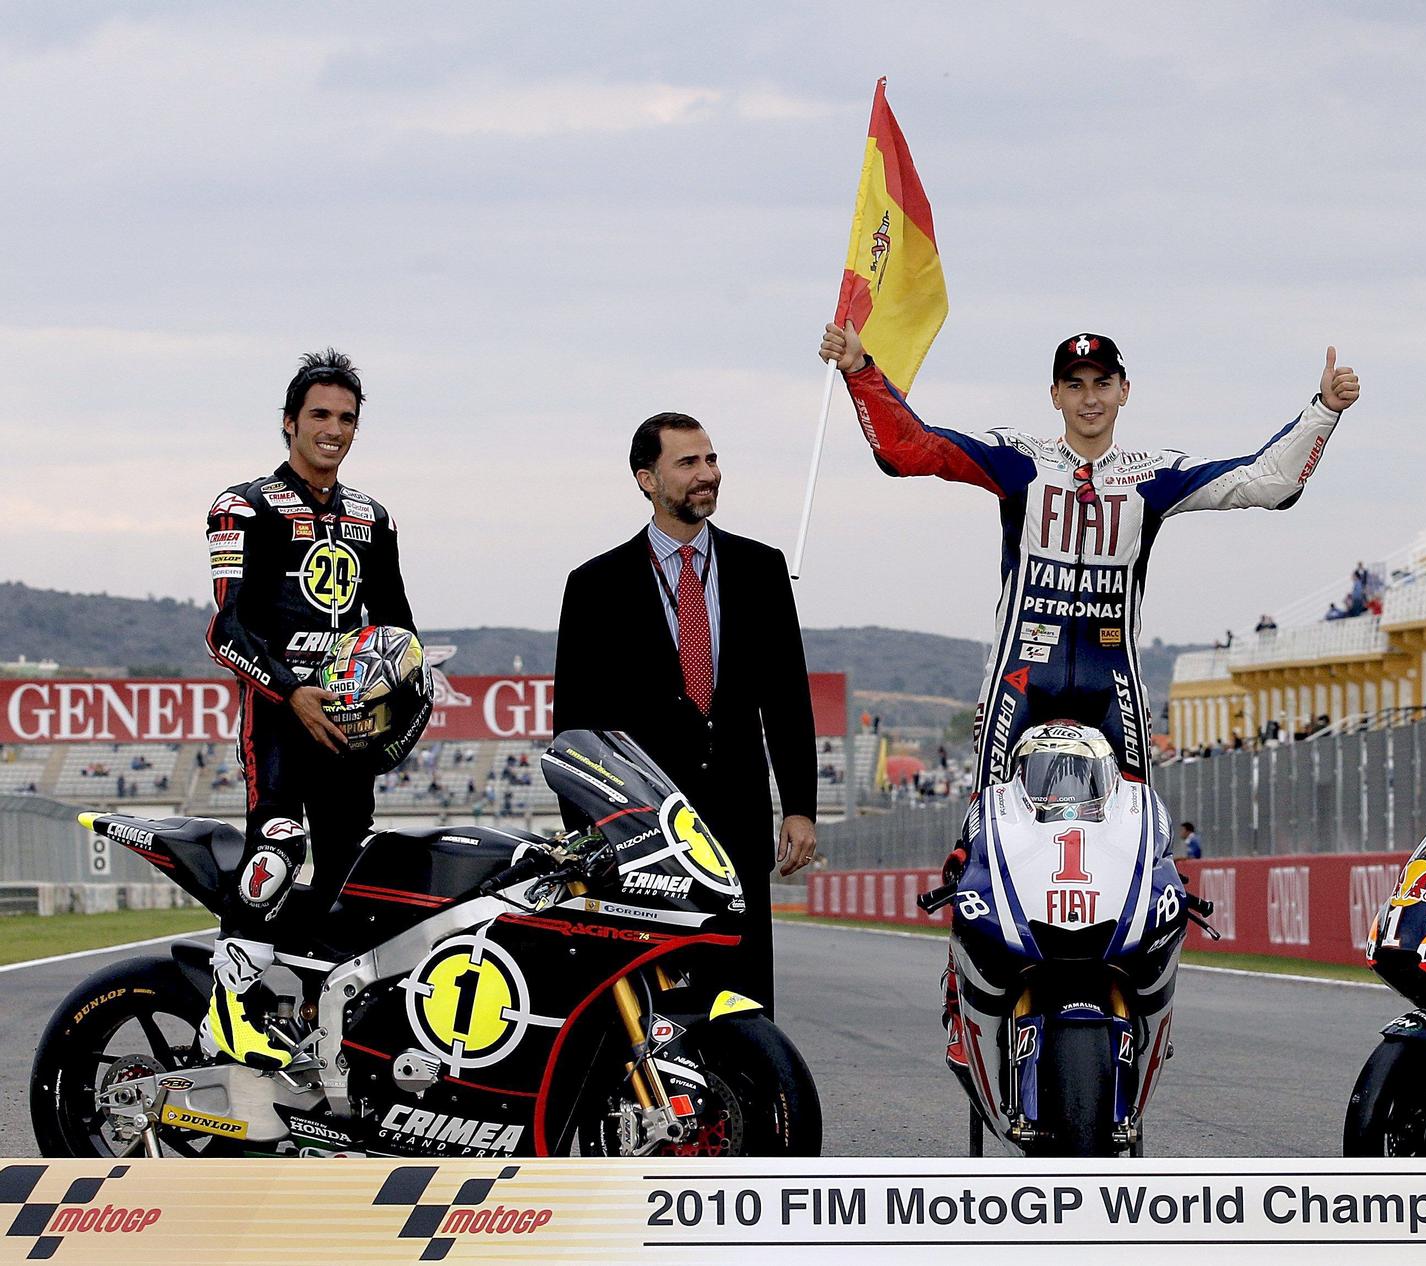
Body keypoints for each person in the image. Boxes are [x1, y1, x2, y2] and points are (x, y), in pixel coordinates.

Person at [820, 323, 1359, 787]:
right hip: (1020, 674)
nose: (1090, 398)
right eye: (1075, 385)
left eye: (1102, 383)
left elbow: (1266, 482)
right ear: (1054, 395)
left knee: (1144, 837)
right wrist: (860, 369)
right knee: (984, 832)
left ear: (1125, 390)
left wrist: (1323, 412)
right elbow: (912, 448)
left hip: (1113, 678)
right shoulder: (1019, 459)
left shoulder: (1154, 474)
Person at [553, 411, 817, 1013]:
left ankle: (749, 1104)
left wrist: (799, 806)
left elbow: (786, 699)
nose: (709, 475)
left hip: (738, 823)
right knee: (656, 994)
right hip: (640, 828)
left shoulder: (762, 568)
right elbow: (573, 725)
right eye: (689, 463)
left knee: (741, 993)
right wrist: (589, 834)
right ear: (647, 479)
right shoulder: (595, 585)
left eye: (712, 459)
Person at [202, 349, 416, 1068]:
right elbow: (224, 631)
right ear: (289, 422)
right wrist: (292, 692)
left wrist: (408, 694)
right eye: (319, 415)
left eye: (346, 418)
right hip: (277, 722)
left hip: (350, 734)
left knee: (354, 881)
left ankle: (325, 1023)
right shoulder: (243, 507)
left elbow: (398, 629)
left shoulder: (374, 518)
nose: (333, 429)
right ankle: (225, 1012)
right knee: (276, 850)